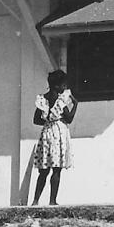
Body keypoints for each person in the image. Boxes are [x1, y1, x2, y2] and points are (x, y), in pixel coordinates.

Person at [32, 70, 77, 206]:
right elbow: (69, 119)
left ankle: (35, 200)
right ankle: (52, 200)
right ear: (57, 86)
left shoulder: (42, 99)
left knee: (44, 169)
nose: (65, 87)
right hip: (58, 133)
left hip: (46, 133)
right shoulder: (60, 100)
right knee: (56, 168)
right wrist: (75, 104)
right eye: (63, 84)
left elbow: (36, 120)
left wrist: (48, 121)